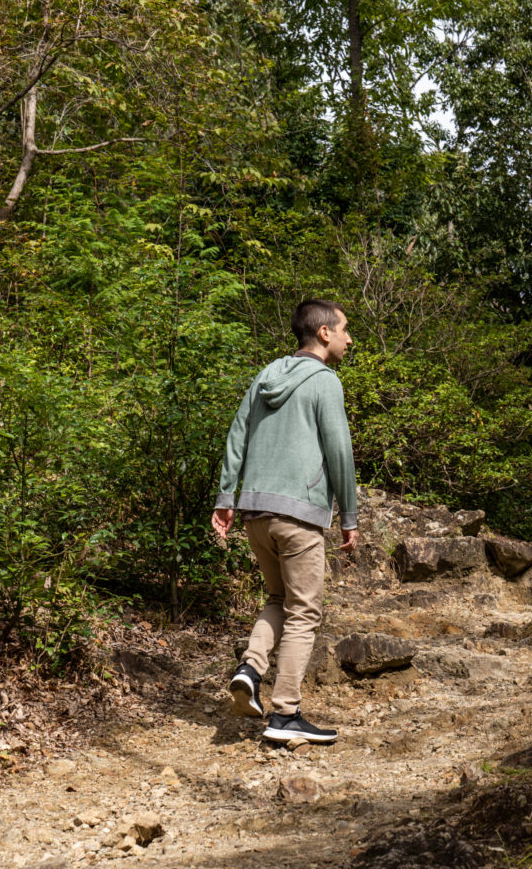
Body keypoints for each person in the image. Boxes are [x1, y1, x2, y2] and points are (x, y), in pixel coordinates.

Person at [211, 299, 358, 743]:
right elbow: (340, 453)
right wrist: (349, 515)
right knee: (304, 612)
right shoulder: (325, 383)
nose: (351, 339)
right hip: (299, 513)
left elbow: (238, 433)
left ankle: (250, 668)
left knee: (278, 597)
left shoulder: (265, 376)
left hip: (255, 512)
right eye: (346, 330)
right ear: (325, 334)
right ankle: (285, 714)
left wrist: (226, 497)